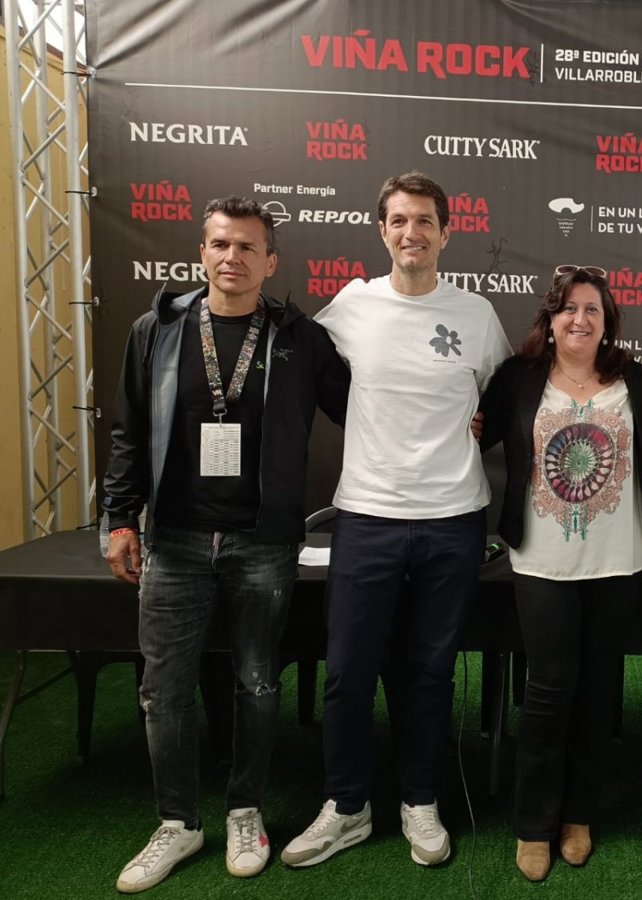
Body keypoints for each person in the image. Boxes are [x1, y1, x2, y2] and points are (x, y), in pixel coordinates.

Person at [102, 196, 350, 893]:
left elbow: (366, 409)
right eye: (220, 244)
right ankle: (177, 821)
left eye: (247, 247)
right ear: (202, 253)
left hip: (263, 542)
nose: (232, 257)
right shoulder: (157, 330)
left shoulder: (301, 339)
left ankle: (246, 810)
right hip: (174, 539)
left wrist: (456, 415)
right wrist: (119, 519)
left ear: (270, 262)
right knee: (163, 690)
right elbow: (128, 432)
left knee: (257, 682)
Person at [282, 171, 512, 869]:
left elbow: (504, 398)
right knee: (348, 671)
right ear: (382, 230)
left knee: (431, 672)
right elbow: (311, 376)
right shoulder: (351, 307)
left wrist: (482, 420)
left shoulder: (476, 315)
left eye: (425, 221)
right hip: (367, 517)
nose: (413, 233)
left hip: (453, 520)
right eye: (400, 221)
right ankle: (346, 806)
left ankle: (420, 800)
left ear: (447, 232)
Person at [478, 265, 642, 881]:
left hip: (617, 560)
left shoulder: (638, 383)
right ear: (550, 319)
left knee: (597, 689)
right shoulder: (518, 379)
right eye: (569, 308)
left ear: (608, 321)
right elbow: (472, 432)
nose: (580, 319)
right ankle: (533, 822)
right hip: (541, 560)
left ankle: (579, 817)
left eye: (593, 309)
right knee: (547, 689)